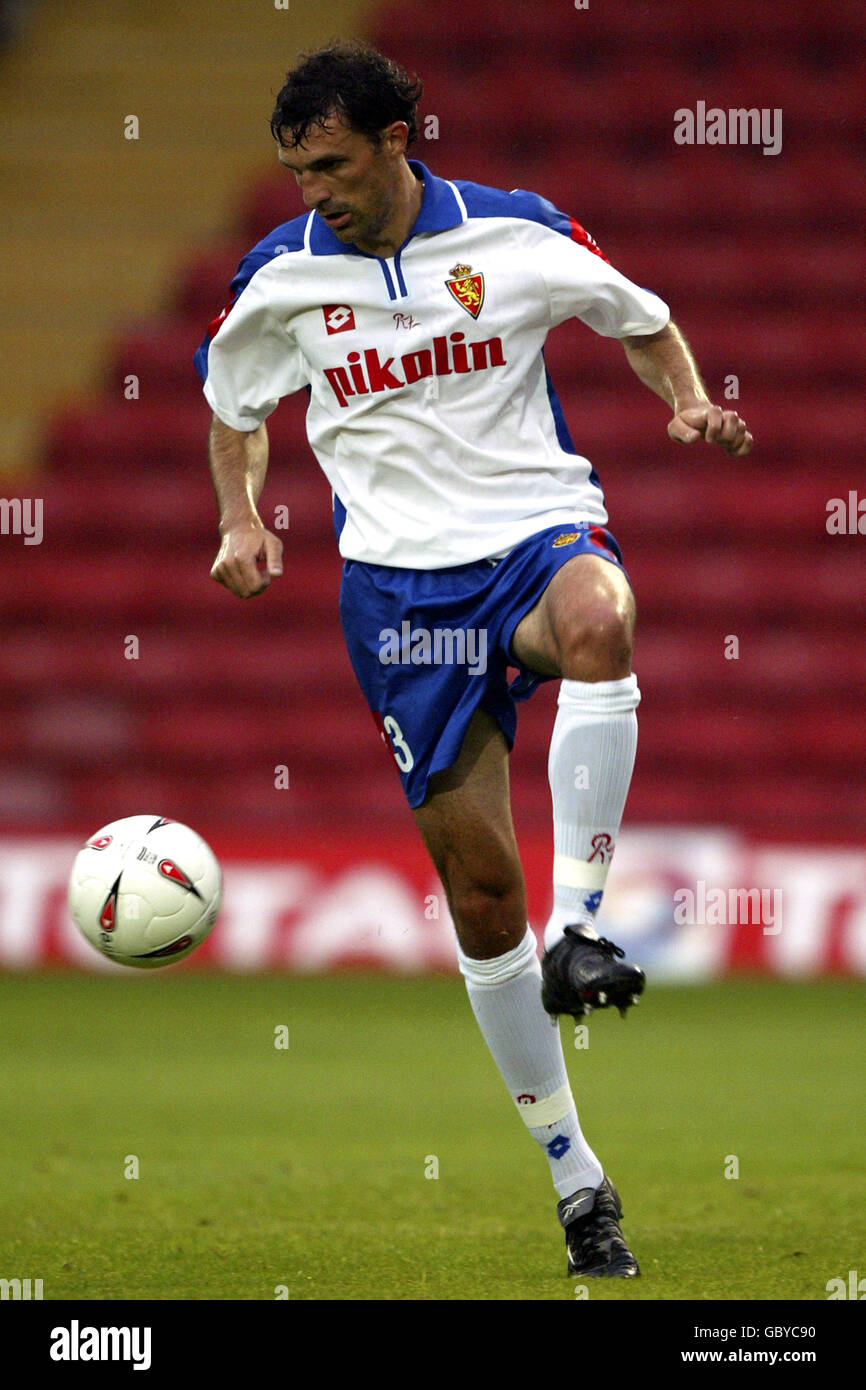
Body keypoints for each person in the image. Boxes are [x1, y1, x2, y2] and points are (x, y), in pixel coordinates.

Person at [194, 40, 752, 1280]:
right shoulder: (280, 278)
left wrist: (687, 399)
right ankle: (575, 1178)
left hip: (530, 536)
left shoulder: (512, 235)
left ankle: (587, 928)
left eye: (331, 166)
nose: (313, 194)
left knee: (603, 615)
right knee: (479, 893)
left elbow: (641, 318)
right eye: (295, 173)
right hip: (397, 593)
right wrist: (240, 516)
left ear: (400, 138)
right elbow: (234, 403)